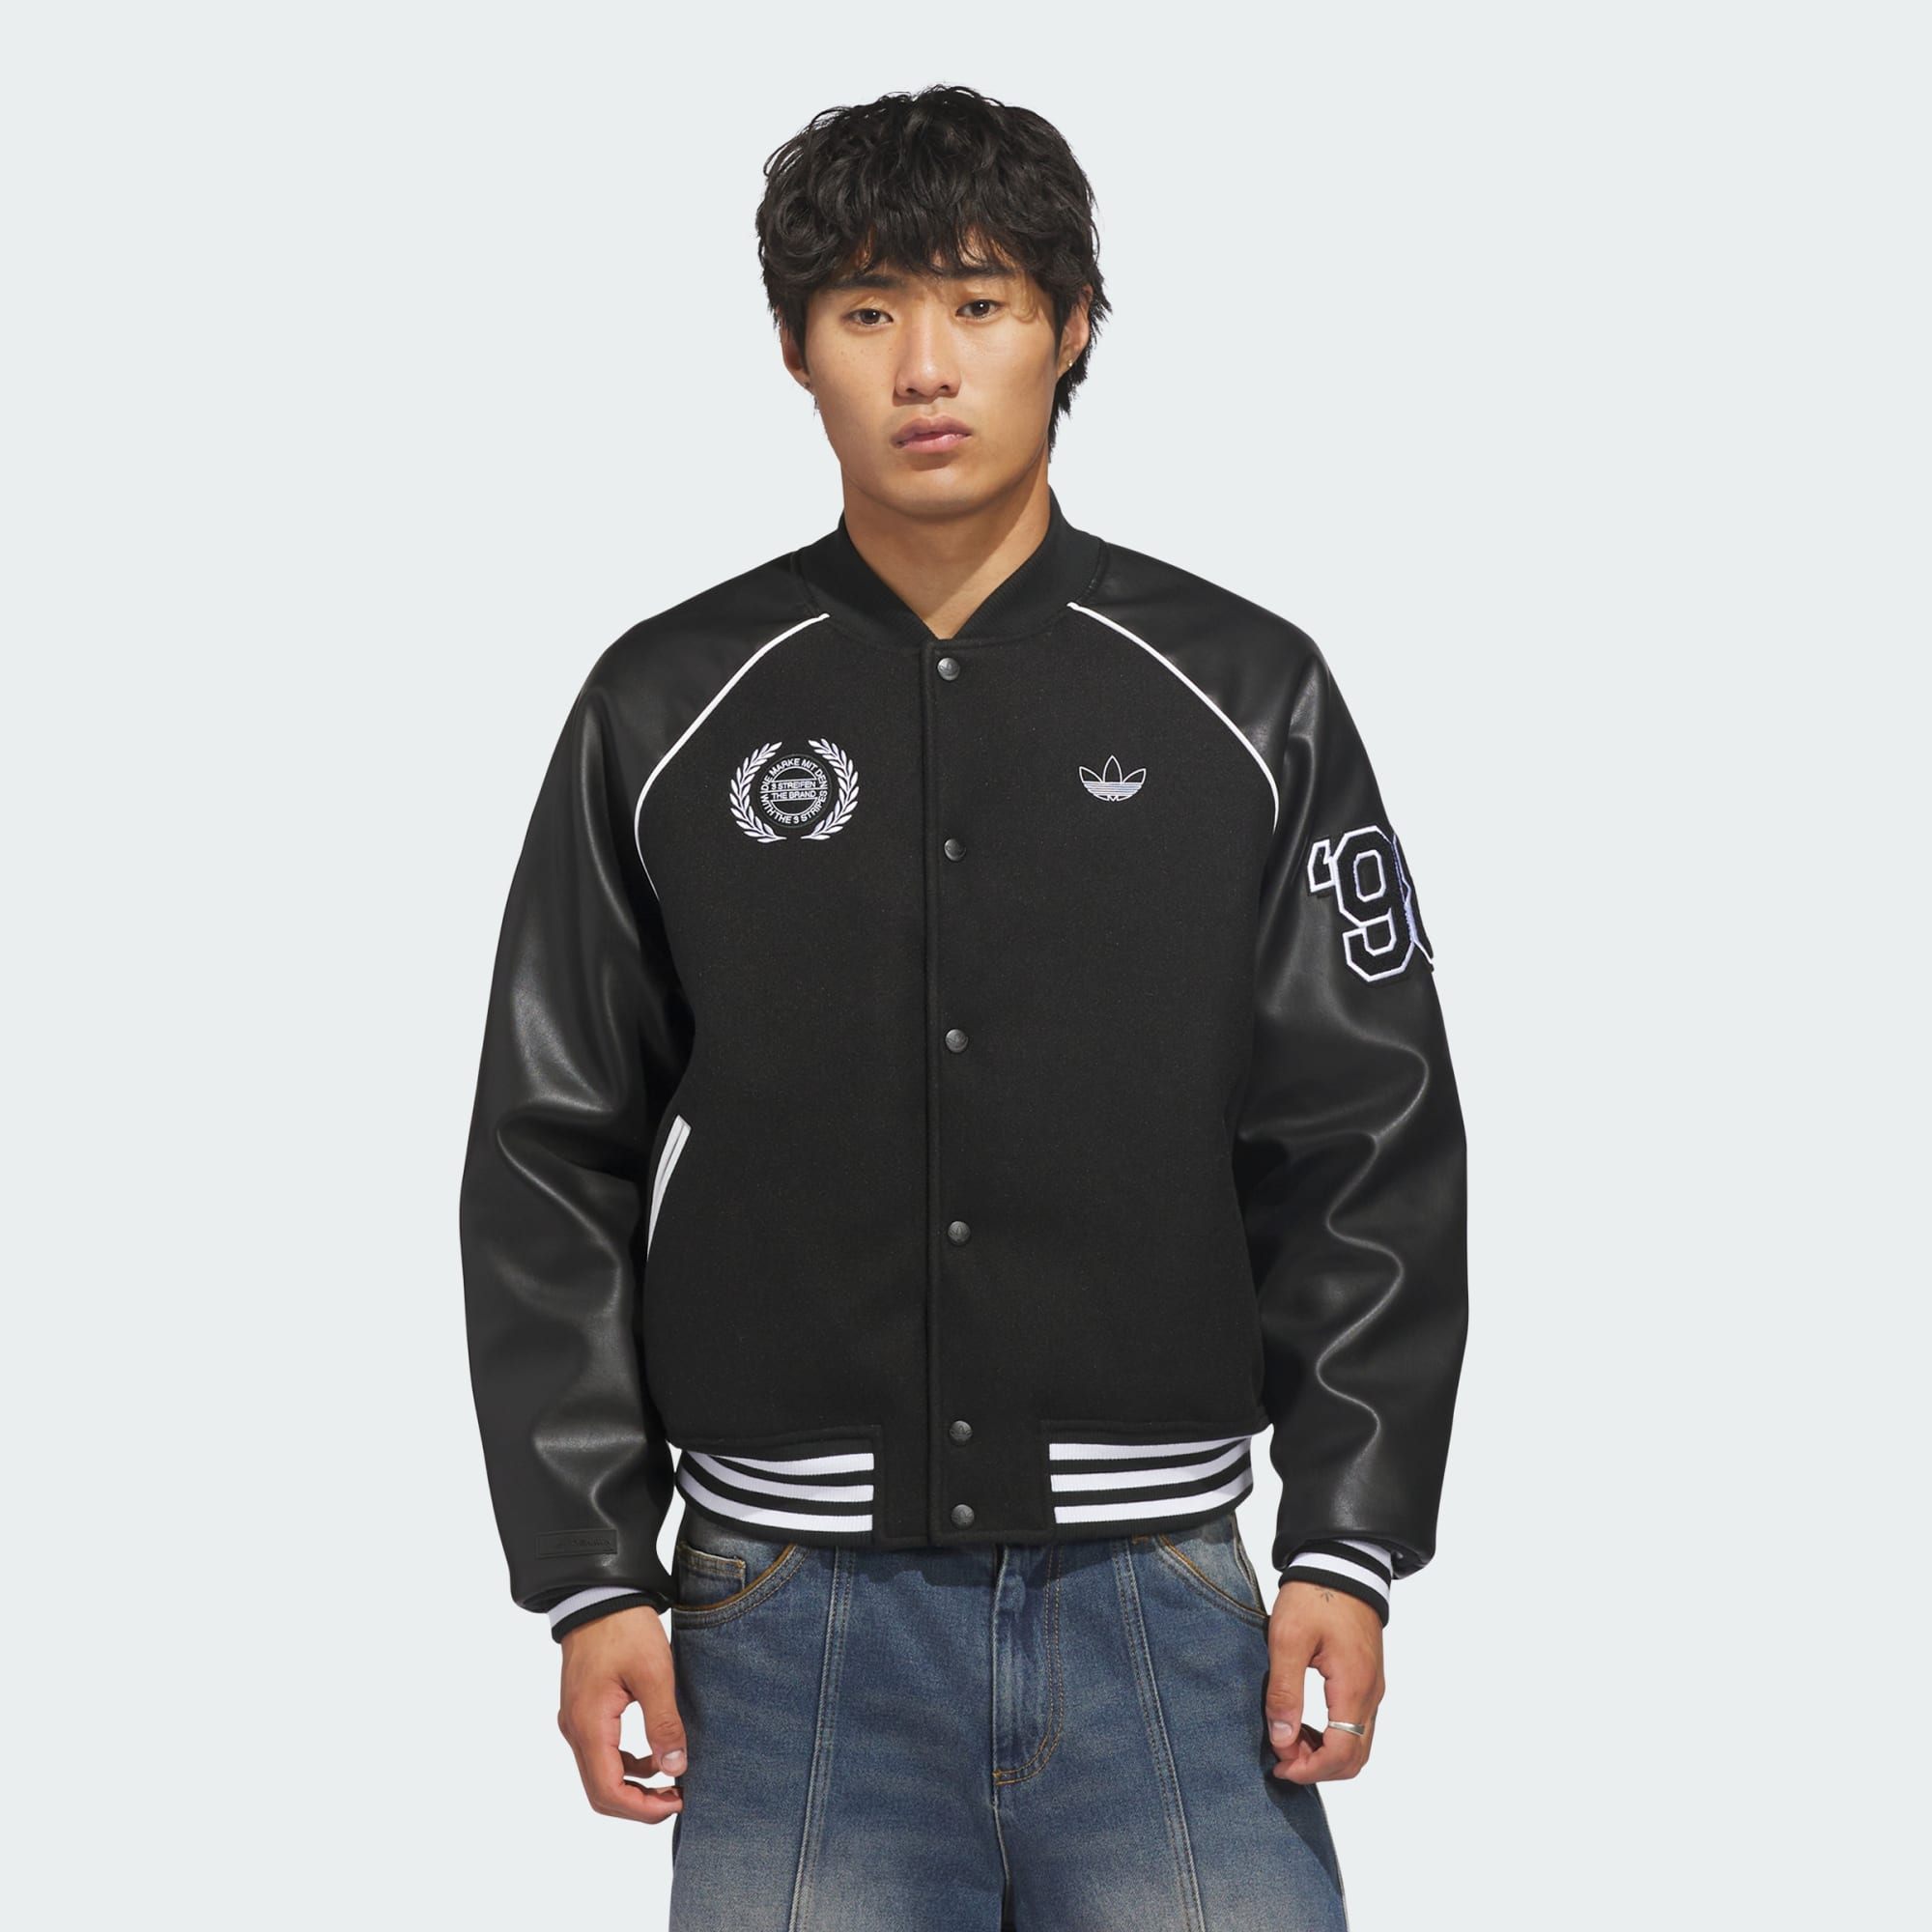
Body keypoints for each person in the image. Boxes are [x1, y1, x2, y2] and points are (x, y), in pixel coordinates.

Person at [460, 82, 1468, 1930]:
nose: (925, 365)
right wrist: (593, 1573)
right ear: (795, 349)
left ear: (1071, 325)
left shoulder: (1245, 695)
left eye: (981, 302)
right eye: (867, 310)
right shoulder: (667, 705)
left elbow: (1364, 1131)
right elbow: (550, 1150)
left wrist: (1349, 1538)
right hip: (781, 1633)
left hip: (1167, 1619)